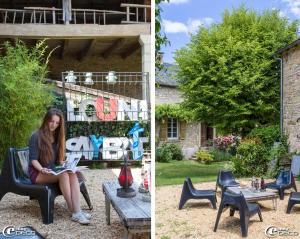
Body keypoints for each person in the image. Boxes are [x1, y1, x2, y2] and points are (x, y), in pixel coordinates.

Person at [28, 108, 91, 225]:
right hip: (38, 173)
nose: (54, 125)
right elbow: (33, 160)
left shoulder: (57, 136)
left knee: (71, 173)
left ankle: (77, 211)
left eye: (57, 123)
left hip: (52, 169)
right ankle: (75, 212)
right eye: (52, 121)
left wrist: (65, 163)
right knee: (63, 175)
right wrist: (42, 169)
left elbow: (57, 160)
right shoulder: (36, 136)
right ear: (46, 120)